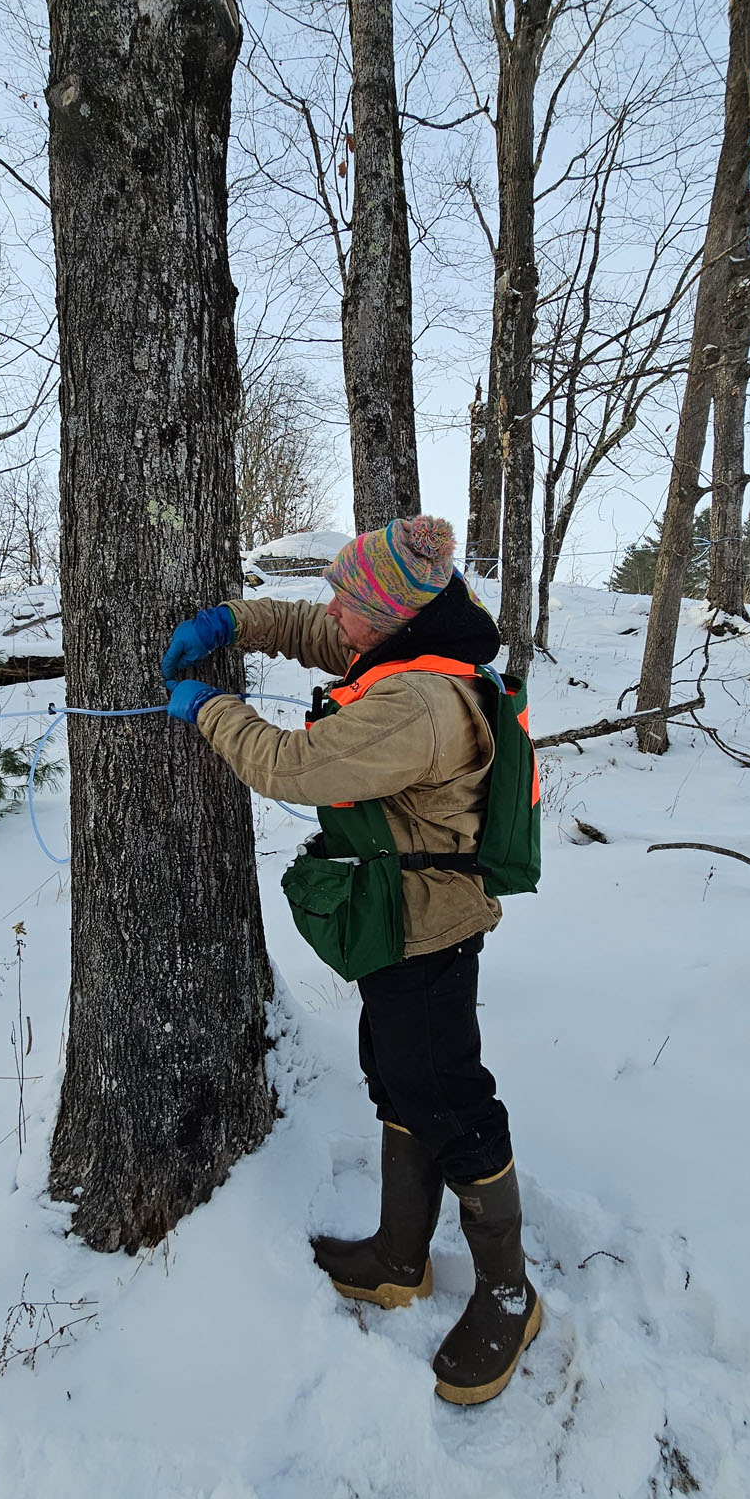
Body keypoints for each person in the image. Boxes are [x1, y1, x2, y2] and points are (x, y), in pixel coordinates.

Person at [162, 515, 540, 1406]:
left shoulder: (417, 705)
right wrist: (233, 621)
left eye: (348, 602)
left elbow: (294, 768)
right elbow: (323, 631)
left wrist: (210, 707)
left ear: (392, 617)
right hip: (392, 920)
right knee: (397, 1075)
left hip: (428, 931)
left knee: (450, 1099)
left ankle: (511, 1296)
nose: (334, 615)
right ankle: (399, 1257)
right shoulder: (403, 633)